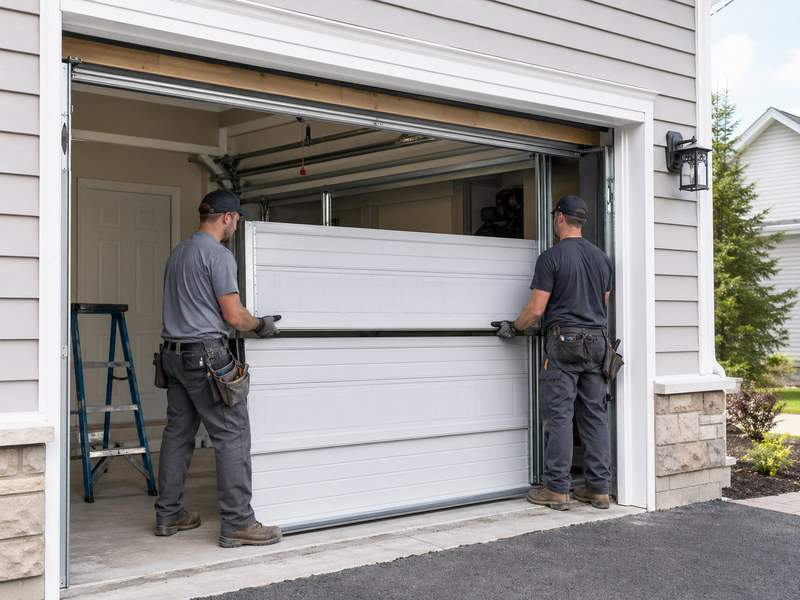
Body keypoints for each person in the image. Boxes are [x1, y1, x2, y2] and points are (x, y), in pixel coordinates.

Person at [155, 189, 282, 547]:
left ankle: (169, 514)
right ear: (227, 217)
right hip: (206, 358)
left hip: (173, 356)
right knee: (232, 434)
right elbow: (234, 317)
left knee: (177, 435)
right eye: (237, 219)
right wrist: (261, 324)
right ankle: (238, 523)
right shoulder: (218, 255)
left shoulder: (179, 252)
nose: (236, 225)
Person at [493, 195, 613, 511]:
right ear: (581, 220)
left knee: (559, 415)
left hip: (565, 343)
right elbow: (602, 301)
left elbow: (536, 310)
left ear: (559, 217)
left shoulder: (551, 257)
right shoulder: (602, 258)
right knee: (595, 415)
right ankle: (599, 490)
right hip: (598, 342)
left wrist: (513, 327)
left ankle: (557, 489)